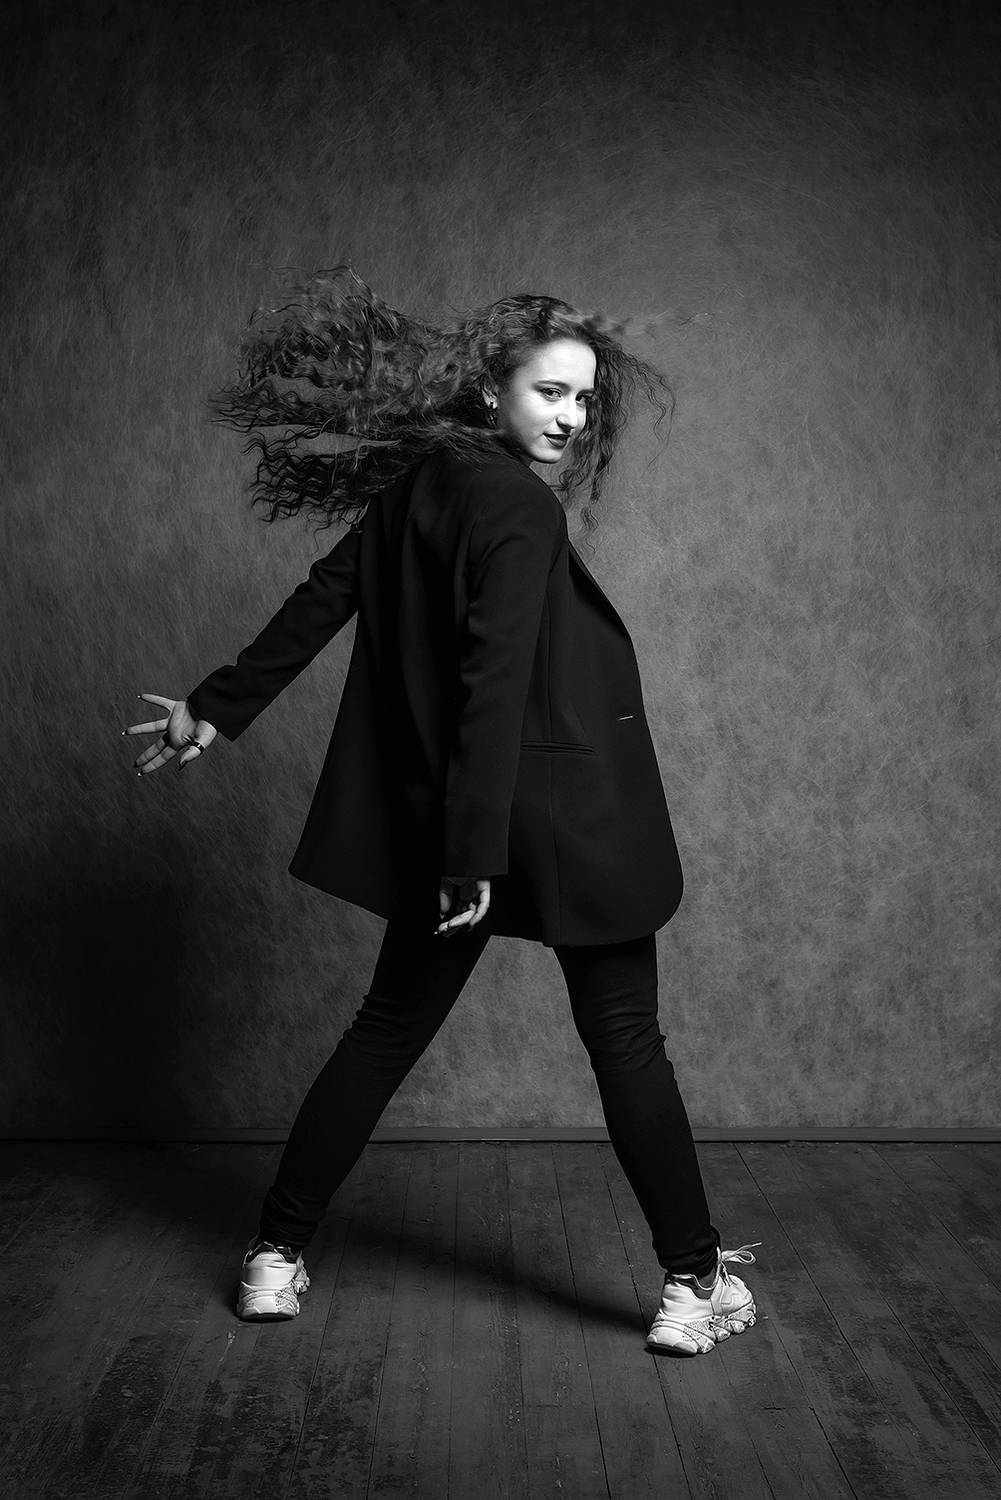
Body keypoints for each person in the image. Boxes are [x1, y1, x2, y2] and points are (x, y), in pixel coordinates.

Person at [124, 268, 760, 1356]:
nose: (570, 417)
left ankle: (274, 1255)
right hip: (547, 823)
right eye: (549, 392)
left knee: (384, 1031)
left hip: (461, 819)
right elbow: (491, 680)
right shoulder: (515, 505)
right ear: (487, 390)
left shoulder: (421, 485)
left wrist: (217, 709)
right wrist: (473, 855)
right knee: (624, 1042)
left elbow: (325, 595)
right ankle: (693, 1282)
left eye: (582, 398)